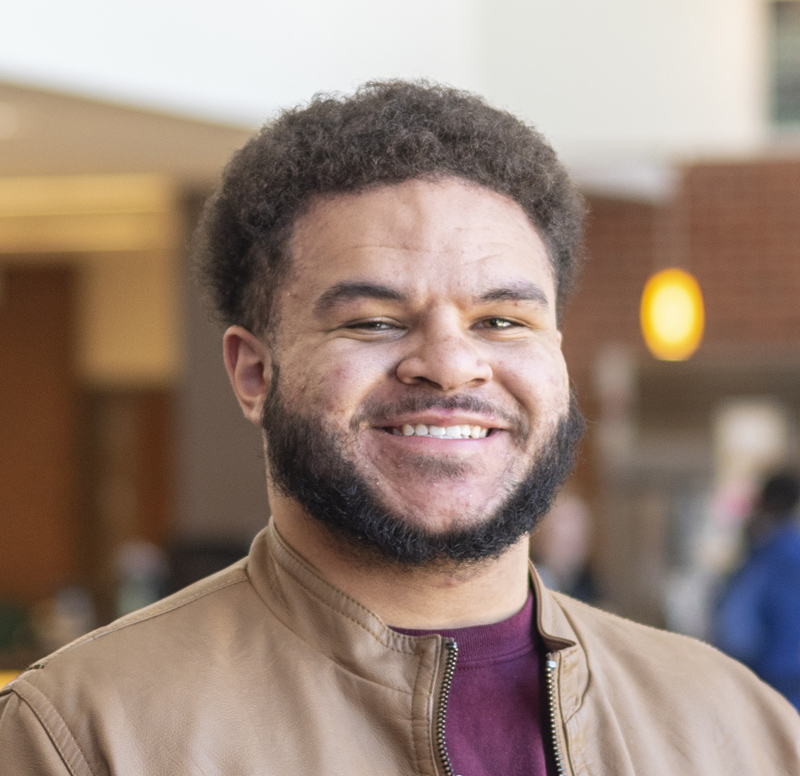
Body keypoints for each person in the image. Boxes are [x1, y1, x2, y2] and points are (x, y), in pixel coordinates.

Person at [1, 81, 798, 775]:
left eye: (501, 319)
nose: (451, 366)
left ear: (556, 355)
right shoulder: (82, 736)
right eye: (376, 322)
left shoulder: (740, 726)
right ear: (253, 372)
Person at [713, 471, 800, 712]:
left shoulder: (764, 558)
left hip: (770, 679)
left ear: (763, 503)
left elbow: (736, 630)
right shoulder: (790, 549)